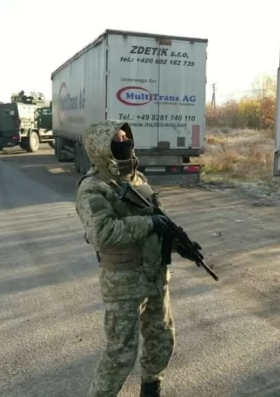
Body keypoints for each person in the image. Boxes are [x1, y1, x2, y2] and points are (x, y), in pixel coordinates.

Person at [76, 120, 176, 397]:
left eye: (126, 137)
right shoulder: (94, 188)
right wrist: (149, 224)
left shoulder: (137, 178)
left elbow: (158, 217)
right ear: (100, 147)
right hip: (123, 281)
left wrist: (174, 238)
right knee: (120, 353)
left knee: (161, 337)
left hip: (155, 274)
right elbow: (102, 233)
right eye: (116, 139)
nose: (124, 143)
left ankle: (151, 387)